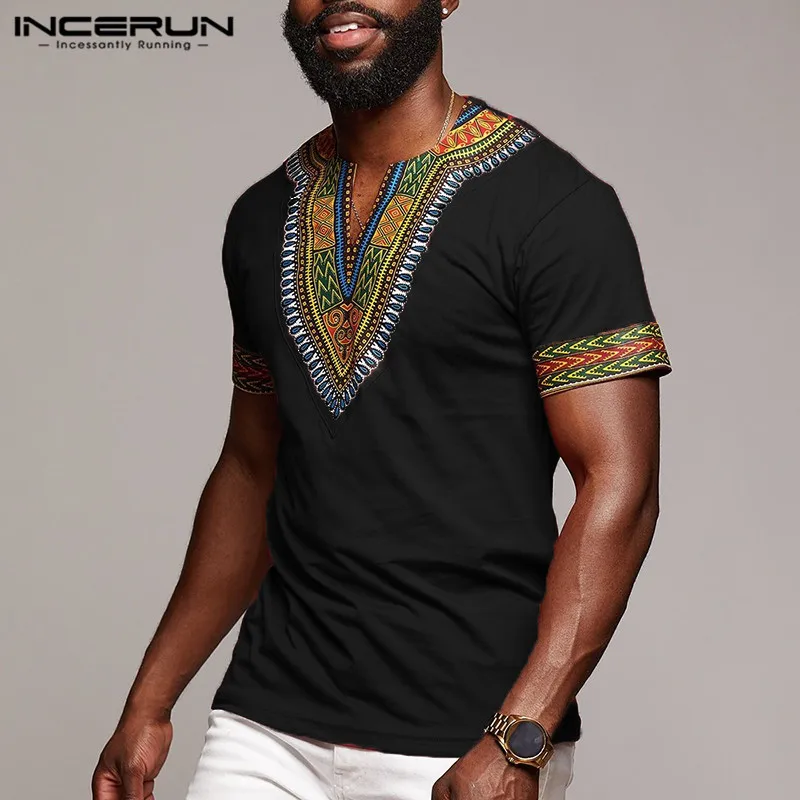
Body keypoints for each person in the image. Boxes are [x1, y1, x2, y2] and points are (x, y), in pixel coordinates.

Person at [92, 1, 672, 798]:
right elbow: (253, 467)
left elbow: (620, 484)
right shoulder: (260, 218)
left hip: (465, 737)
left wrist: (521, 737)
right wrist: (150, 701)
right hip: (267, 723)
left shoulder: (555, 207)